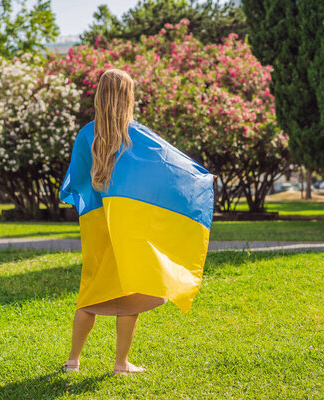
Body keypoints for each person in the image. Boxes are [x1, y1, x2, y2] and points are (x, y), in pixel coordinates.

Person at [59, 68, 214, 375]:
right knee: (131, 290)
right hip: (128, 223)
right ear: (127, 97)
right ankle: (120, 363)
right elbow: (166, 167)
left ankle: (73, 361)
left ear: (99, 96)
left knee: (90, 289)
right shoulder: (137, 136)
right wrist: (198, 178)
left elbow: (77, 180)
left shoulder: (86, 134)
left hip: (96, 222)